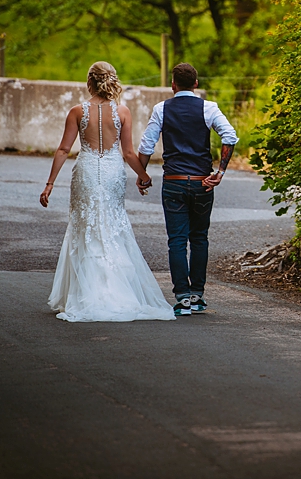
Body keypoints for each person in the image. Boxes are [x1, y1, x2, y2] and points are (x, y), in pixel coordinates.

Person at [39, 61, 175, 322]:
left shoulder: (77, 111)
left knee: (86, 225)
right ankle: (115, 291)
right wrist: (143, 175)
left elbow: (63, 150)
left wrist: (50, 184)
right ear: (111, 80)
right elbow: (127, 153)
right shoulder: (123, 112)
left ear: (89, 81)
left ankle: (85, 293)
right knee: (110, 224)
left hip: (87, 170)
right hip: (113, 171)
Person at [137, 62, 237, 317]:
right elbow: (230, 136)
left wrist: (142, 175)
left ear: (173, 84)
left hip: (174, 181)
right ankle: (198, 295)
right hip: (203, 182)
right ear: (196, 84)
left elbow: (147, 146)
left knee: (177, 240)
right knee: (199, 238)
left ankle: (182, 298)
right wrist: (221, 172)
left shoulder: (161, 109)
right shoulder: (209, 107)